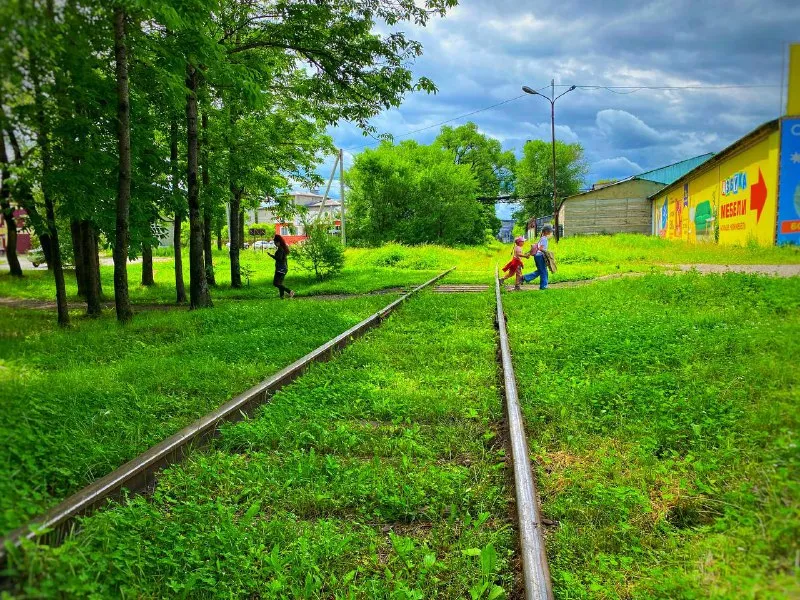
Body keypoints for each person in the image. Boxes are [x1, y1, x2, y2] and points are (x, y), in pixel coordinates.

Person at [521, 225, 554, 289]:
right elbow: (540, 248)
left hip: (538, 256)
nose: (551, 232)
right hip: (540, 256)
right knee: (543, 271)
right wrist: (548, 252)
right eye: (550, 231)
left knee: (541, 270)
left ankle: (525, 277)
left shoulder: (542, 238)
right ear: (546, 231)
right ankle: (543, 286)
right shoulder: (544, 238)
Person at [267, 234, 295, 299]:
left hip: (280, 269)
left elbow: (279, 259)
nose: (275, 244)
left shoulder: (280, 249)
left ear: (278, 242)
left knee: (275, 283)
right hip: (284, 268)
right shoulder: (283, 248)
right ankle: (282, 297)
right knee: (280, 284)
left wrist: (271, 255)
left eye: (275, 242)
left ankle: (290, 291)